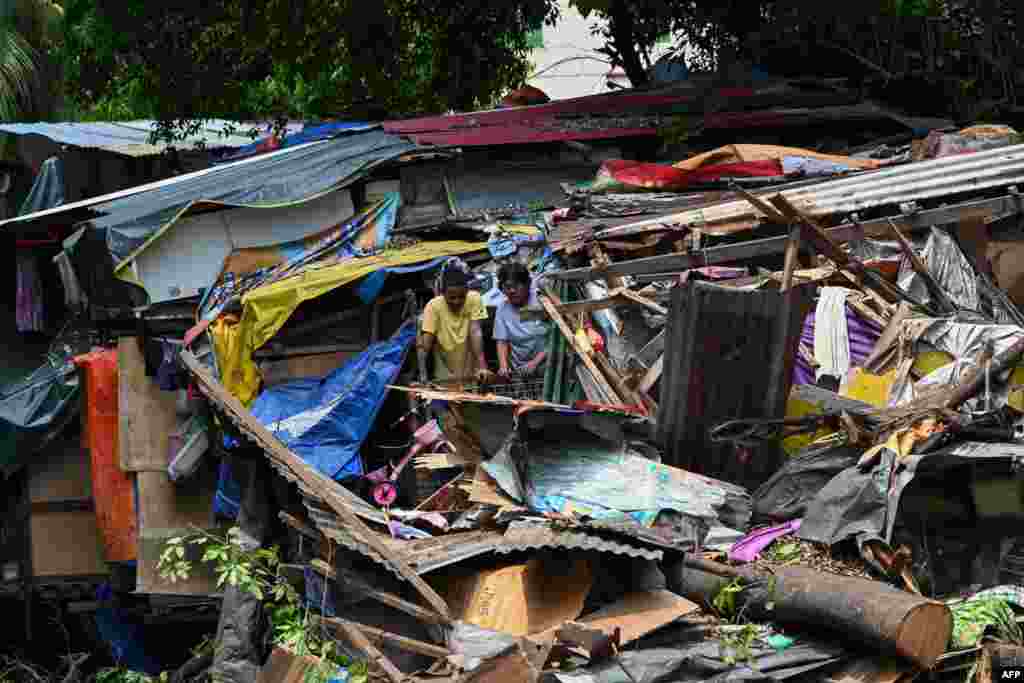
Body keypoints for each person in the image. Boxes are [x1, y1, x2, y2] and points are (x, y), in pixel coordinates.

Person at [418, 265, 491, 384]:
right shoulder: (433, 306)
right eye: (452, 297)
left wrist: (482, 363)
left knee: (472, 395)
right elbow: (426, 345)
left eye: (461, 297)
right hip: (444, 362)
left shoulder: (474, 299)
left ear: (467, 290)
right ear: (442, 293)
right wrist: (422, 375)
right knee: (450, 397)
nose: (457, 301)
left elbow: (475, 331)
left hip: (469, 357)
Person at [493, 263, 549, 379]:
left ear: (527, 284)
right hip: (520, 370)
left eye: (517, 286)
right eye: (507, 287)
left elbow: (556, 337)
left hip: (547, 365)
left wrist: (535, 362)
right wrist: (503, 367)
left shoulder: (541, 301)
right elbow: (502, 341)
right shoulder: (502, 309)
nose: (512, 291)